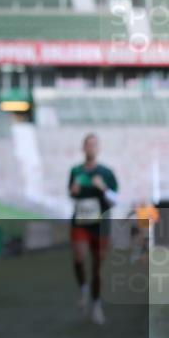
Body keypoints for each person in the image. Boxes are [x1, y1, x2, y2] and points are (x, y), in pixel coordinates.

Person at [68, 133, 119, 325]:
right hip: (81, 222)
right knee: (79, 257)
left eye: (94, 144)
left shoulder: (106, 172)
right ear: (83, 148)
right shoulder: (75, 171)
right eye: (88, 144)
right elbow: (72, 194)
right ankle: (83, 289)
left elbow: (115, 200)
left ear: (98, 148)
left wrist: (103, 188)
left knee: (98, 267)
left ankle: (96, 305)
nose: (91, 148)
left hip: (101, 224)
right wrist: (73, 191)